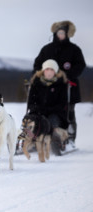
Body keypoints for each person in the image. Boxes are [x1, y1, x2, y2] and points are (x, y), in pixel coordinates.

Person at [33, 20, 86, 148]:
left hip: (69, 87)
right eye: (58, 33)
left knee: (69, 114)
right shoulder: (47, 49)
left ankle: (70, 139)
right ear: (55, 33)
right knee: (42, 112)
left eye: (63, 33)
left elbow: (80, 65)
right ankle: (40, 137)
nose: (60, 35)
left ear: (67, 34)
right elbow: (37, 65)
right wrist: (40, 76)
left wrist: (67, 76)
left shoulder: (74, 49)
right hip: (46, 88)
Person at [27, 59, 69, 154]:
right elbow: (31, 103)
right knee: (32, 123)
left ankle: (55, 141)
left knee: (52, 122)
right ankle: (30, 140)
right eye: (47, 69)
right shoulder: (36, 83)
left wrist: (48, 110)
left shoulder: (61, 84)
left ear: (55, 72)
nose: (49, 72)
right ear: (43, 71)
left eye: (52, 70)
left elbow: (62, 104)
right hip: (37, 113)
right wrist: (37, 110)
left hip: (55, 114)